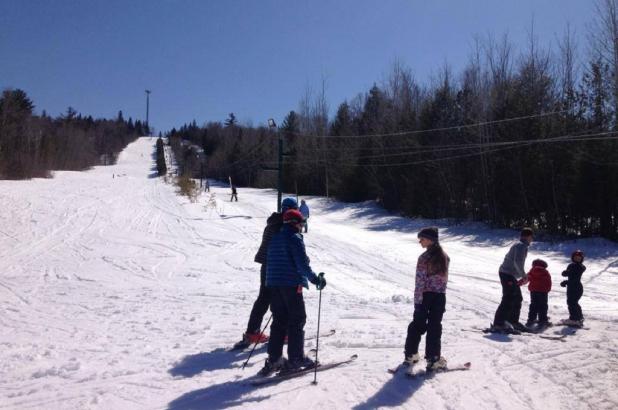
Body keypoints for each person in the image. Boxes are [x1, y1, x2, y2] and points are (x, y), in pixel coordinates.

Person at [258, 209, 326, 376]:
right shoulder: (294, 238)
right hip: (290, 285)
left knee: (279, 321)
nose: (302, 227)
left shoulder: (274, 239)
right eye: (301, 223)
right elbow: (302, 265)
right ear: (295, 223)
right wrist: (316, 279)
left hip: (274, 285)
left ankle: (274, 359)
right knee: (297, 320)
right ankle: (296, 359)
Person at [235, 197, 299, 348]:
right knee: (281, 300)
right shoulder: (283, 225)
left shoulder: (273, 222)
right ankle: (282, 334)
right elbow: (287, 247)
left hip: (266, 266)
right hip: (278, 267)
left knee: (264, 298)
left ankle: (252, 331)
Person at [403, 227, 450, 373]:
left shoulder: (424, 258)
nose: (420, 241)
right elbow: (443, 280)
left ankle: (411, 355)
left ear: (430, 240)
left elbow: (420, 281)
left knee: (418, 324)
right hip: (439, 296)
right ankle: (433, 359)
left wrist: (418, 300)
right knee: (434, 326)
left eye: (422, 238)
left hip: (425, 296)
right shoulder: (445, 257)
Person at [492, 227, 533, 332]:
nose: (531, 240)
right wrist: (524, 276)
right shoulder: (521, 246)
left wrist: (520, 275)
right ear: (528, 237)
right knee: (508, 297)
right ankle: (499, 323)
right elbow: (517, 262)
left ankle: (513, 321)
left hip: (509, 274)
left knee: (517, 297)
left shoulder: (520, 245)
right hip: (507, 274)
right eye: (531, 237)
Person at [560, 250, 586, 326]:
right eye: (576, 257)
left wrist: (567, 279)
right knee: (573, 302)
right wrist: (565, 276)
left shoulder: (580, 267)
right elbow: (569, 275)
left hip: (576, 287)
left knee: (572, 303)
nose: (577, 259)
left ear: (581, 259)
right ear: (573, 258)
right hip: (571, 287)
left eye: (579, 258)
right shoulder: (571, 265)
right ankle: (579, 317)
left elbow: (575, 277)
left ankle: (574, 319)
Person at [525, 259, 552, 328]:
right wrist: (548, 289)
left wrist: (518, 283)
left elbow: (526, 278)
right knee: (543, 306)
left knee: (533, 305)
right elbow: (548, 281)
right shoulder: (545, 272)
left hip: (533, 291)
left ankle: (531, 319)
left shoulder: (532, 271)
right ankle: (542, 320)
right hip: (543, 292)